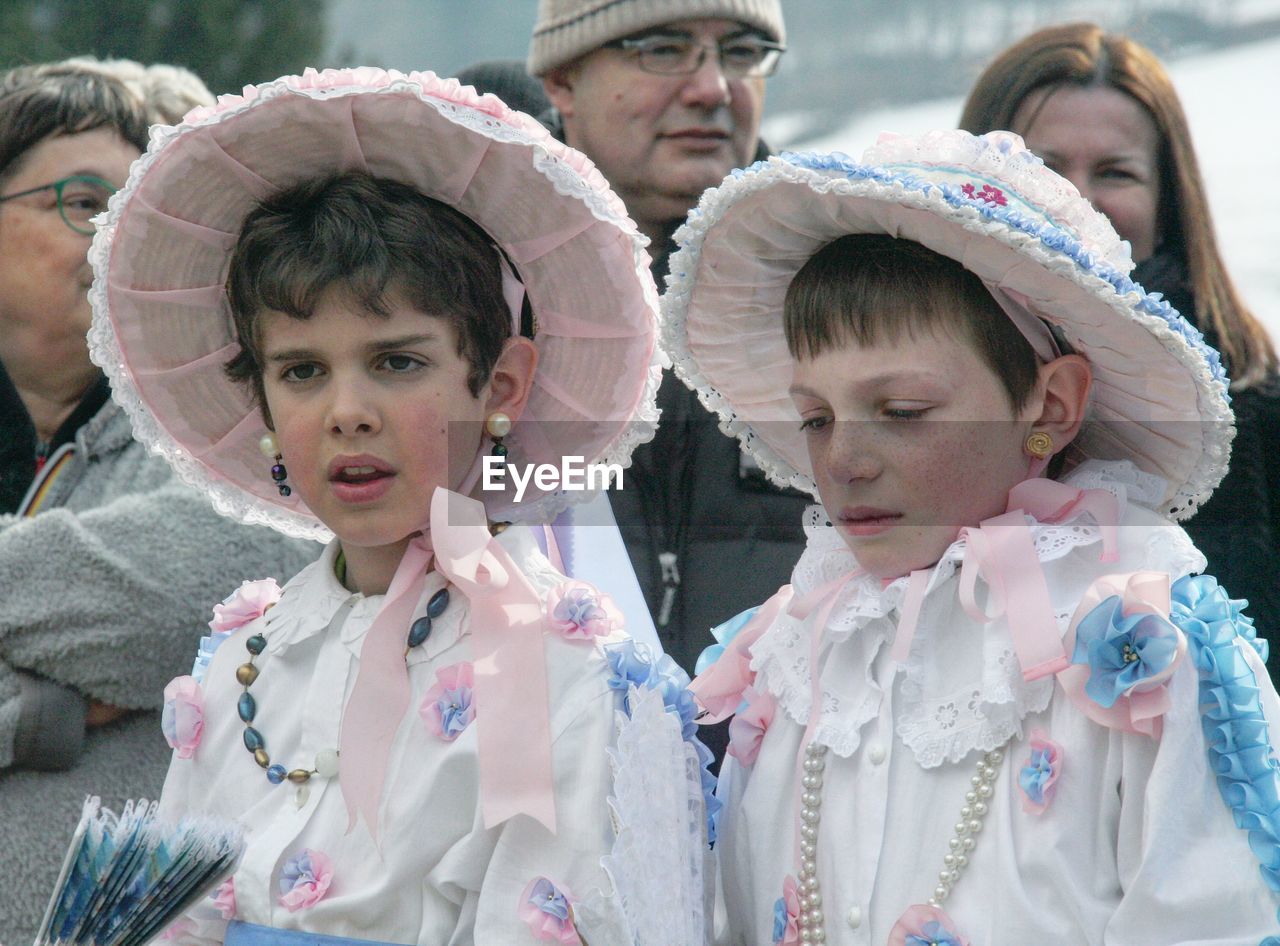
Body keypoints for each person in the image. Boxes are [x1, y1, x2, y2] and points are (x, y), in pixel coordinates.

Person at [92, 68, 712, 944]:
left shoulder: (564, 678)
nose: (348, 411)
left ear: (499, 384)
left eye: (397, 363)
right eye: (302, 371)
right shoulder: (244, 658)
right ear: (263, 404)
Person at [669, 130, 1280, 943]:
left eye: (903, 412)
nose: (843, 460)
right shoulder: (793, 657)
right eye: (815, 417)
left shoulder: (1143, 651)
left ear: (1051, 404)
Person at [0, 60, 313, 945]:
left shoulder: (213, 433)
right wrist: (46, 711)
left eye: (133, 207)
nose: (113, 235)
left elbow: (194, 590)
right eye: (81, 201)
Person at [959, 22, 1280, 677]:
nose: (1077, 195)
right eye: (1042, 167)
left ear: (1168, 203)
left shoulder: (1253, 400)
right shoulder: (897, 390)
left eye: (1116, 171)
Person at [527, 0, 811, 685]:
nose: (713, 87)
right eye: (662, 48)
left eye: (741, 51)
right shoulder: (463, 286)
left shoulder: (843, 288)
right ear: (562, 78)